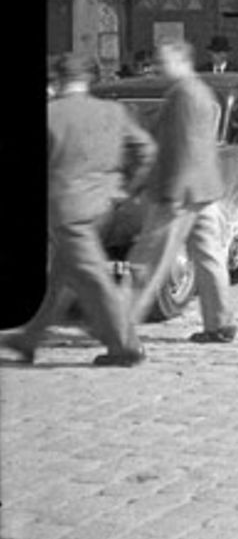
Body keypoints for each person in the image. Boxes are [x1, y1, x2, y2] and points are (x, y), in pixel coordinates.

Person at [1, 52, 155, 366]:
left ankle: (125, 346)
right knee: (62, 274)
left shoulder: (52, 113)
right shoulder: (114, 111)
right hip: (103, 207)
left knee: (94, 276)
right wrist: (125, 189)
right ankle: (29, 338)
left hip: (66, 210)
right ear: (88, 80)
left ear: (58, 80)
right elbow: (147, 150)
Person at [127, 38, 238, 344]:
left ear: (182, 61)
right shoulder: (200, 91)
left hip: (180, 191)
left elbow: (184, 147)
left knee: (148, 258)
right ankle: (220, 323)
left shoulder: (184, 95)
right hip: (203, 189)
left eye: (164, 62)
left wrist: (169, 192)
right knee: (209, 257)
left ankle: (118, 327)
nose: (158, 68)